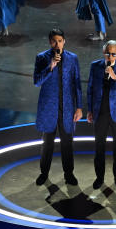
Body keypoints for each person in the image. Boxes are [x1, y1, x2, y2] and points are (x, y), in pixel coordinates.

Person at [32, 28, 82, 186]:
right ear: (49, 42)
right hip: (49, 108)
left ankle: (69, 174)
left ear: (64, 41)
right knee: (47, 143)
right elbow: (37, 82)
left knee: (67, 142)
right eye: (54, 41)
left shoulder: (73, 58)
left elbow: (77, 84)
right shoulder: (42, 58)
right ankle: (44, 173)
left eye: (60, 41)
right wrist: (50, 67)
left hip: (66, 108)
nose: (57, 44)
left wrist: (79, 107)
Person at [86, 40, 116, 190]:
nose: (110, 56)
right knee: (99, 147)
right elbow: (90, 89)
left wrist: (115, 77)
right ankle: (99, 178)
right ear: (103, 52)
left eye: (113, 54)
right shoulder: (95, 66)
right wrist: (89, 110)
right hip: (100, 113)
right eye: (108, 53)